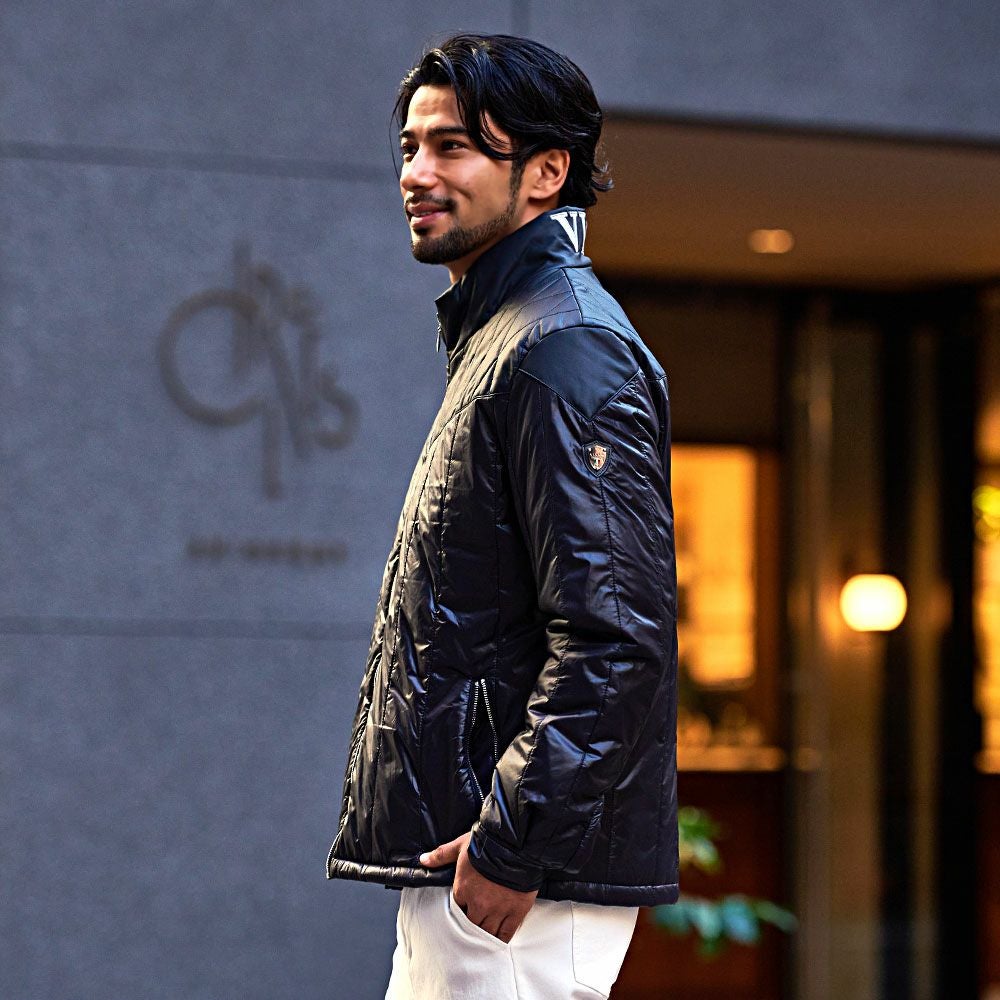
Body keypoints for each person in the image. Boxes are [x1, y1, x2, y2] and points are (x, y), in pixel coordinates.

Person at [325, 33, 679, 1000]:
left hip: (514, 886)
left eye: (453, 147)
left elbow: (616, 634)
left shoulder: (566, 346)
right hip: (481, 872)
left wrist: (514, 842)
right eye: (410, 146)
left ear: (545, 173)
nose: (417, 173)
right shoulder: (511, 335)